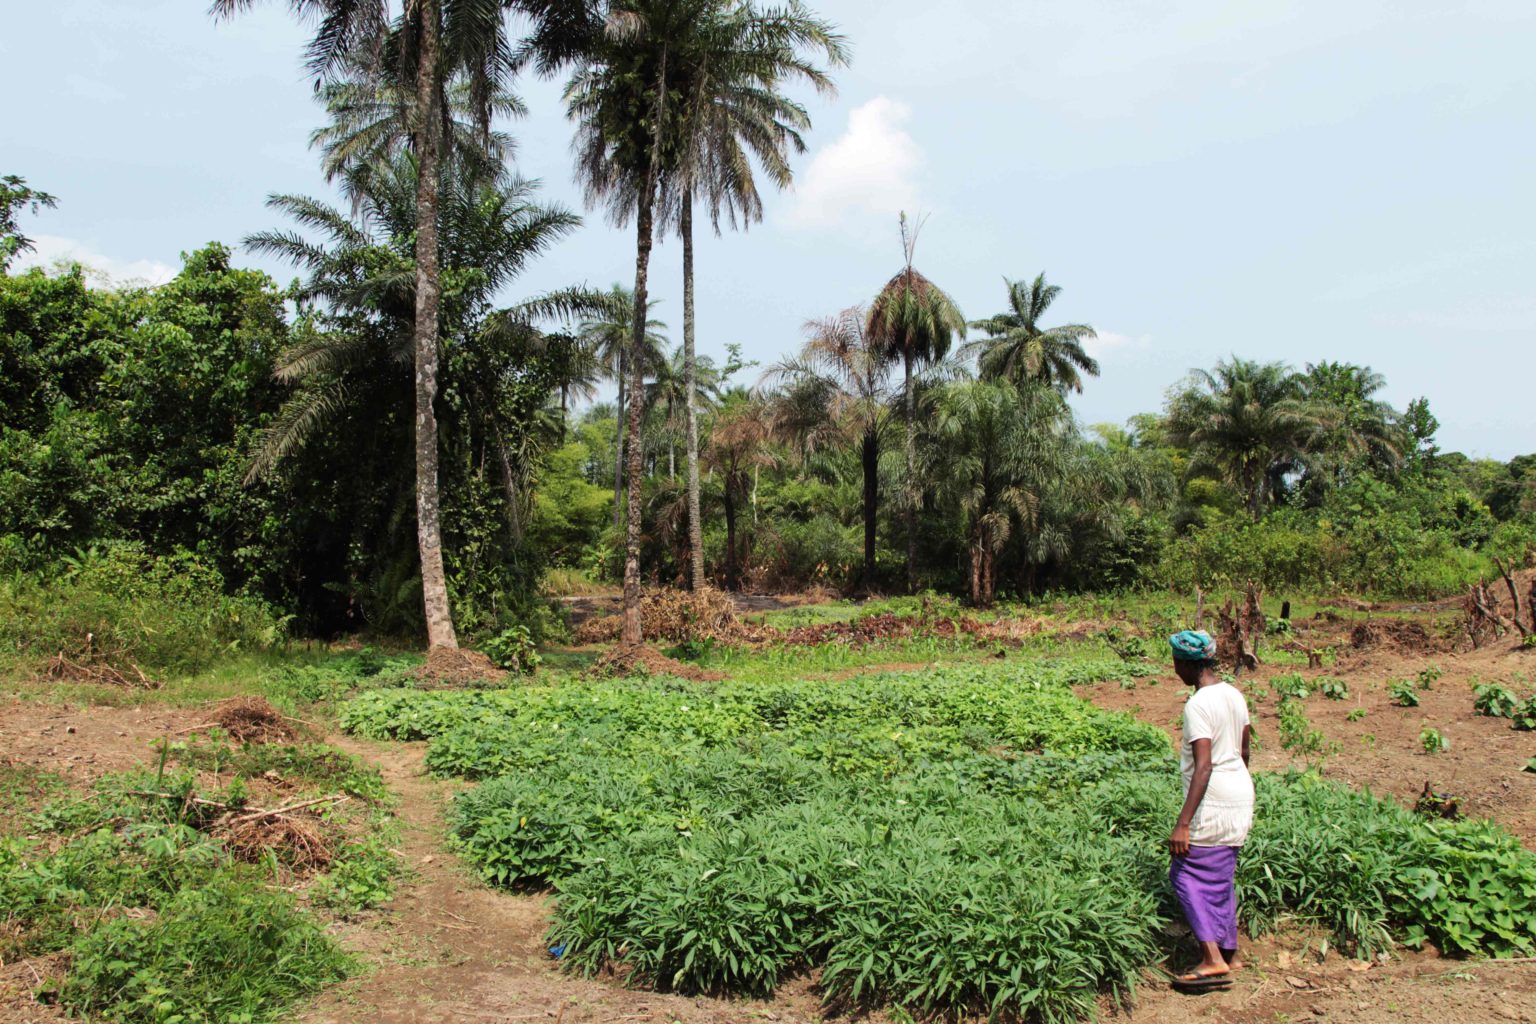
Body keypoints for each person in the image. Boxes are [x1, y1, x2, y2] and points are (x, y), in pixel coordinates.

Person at [1166, 629, 1254, 990]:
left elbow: (1204, 765)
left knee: (1184, 874)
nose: (1174, 669)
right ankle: (1229, 950)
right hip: (1240, 795)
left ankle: (1211, 959)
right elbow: (1245, 750)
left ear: (1187, 664)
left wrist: (1183, 823)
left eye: (1175, 662)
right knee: (1219, 875)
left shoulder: (1198, 704)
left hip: (1213, 799)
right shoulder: (1234, 694)